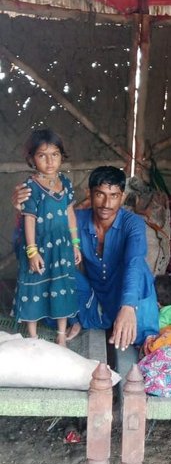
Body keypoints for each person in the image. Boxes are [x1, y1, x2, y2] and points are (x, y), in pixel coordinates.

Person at [13, 164, 159, 350]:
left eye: (114, 196)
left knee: (141, 276)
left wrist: (129, 306)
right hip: (93, 296)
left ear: (122, 197)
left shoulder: (133, 224)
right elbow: (29, 248)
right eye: (100, 194)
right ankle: (77, 317)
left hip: (124, 293)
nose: (106, 204)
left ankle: (137, 325)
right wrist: (22, 212)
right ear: (89, 193)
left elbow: (134, 262)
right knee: (51, 268)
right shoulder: (77, 219)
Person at [12, 129, 81, 346]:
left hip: (62, 247)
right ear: (32, 159)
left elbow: (70, 214)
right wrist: (32, 251)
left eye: (55, 154)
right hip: (39, 247)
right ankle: (32, 337)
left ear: (62, 156)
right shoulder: (30, 187)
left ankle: (61, 334)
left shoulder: (66, 183)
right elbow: (29, 219)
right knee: (34, 286)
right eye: (42, 155)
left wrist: (76, 244)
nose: (50, 161)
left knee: (62, 287)